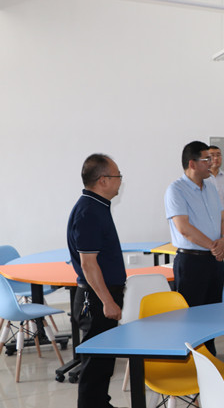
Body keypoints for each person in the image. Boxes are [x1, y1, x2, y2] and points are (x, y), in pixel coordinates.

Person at [67, 154, 126, 408]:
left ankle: (101, 403)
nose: (120, 180)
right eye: (118, 176)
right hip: (95, 298)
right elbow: (89, 265)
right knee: (95, 363)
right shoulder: (89, 212)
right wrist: (107, 301)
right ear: (103, 180)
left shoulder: (97, 206)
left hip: (99, 295)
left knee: (103, 362)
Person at [164, 141, 224, 355]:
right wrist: (214, 246)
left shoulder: (211, 187)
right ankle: (192, 361)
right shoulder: (176, 190)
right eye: (206, 159)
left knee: (212, 314)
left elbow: (223, 217)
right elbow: (184, 228)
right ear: (192, 163)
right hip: (191, 262)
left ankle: (210, 358)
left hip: (214, 260)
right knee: (192, 318)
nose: (212, 162)